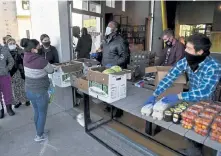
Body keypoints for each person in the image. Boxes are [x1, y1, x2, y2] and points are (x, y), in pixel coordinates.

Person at [144, 33, 221, 155]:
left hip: (207, 102)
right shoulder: (186, 61)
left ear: (200, 52)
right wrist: (155, 93)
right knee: (190, 126)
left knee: (202, 127)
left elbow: (205, 91)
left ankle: (196, 153)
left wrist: (179, 96)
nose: (185, 50)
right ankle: (193, 150)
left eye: (189, 48)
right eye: (186, 47)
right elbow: (169, 77)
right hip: (191, 97)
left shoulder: (214, 67)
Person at [21, 38, 54, 142]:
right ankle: (39, 135)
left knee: (36, 111)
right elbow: (51, 70)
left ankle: (39, 131)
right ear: (32, 50)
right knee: (42, 113)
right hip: (40, 91)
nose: (40, 47)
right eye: (38, 46)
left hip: (29, 90)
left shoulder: (25, 57)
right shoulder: (40, 61)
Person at [101, 21, 129, 118]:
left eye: (110, 26)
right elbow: (106, 53)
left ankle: (119, 111)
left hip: (116, 70)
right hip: (105, 69)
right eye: (107, 25)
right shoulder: (105, 40)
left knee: (117, 90)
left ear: (116, 29)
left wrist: (113, 65)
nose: (107, 27)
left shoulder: (120, 41)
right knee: (108, 89)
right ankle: (109, 105)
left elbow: (125, 57)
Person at [6, 38, 30, 108]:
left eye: (13, 43)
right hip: (11, 73)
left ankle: (26, 100)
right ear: (7, 45)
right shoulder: (6, 53)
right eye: (10, 44)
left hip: (21, 71)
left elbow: (25, 60)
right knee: (15, 88)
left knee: (23, 86)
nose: (12, 45)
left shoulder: (20, 51)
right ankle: (18, 101)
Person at [0, 42, 15, 119]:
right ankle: (1, 110)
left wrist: (7, 69)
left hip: (5, 76)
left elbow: (11, 61)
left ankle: (9, 108)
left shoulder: (4, 50)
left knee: (7, 93)